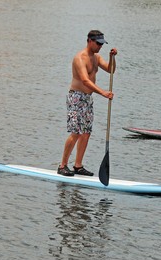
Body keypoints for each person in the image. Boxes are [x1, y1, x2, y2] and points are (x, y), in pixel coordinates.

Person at [58, 30, 117, 176]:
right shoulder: (80, 58)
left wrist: (112, 58)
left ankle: (78, 166)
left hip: (88, 99)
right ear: (89, 41)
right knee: (76, 132)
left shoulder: (96, 57)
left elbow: (111, 70)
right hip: (76, 98)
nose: (100, 47)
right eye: (98, 44)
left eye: (102, 44)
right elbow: (85, 80)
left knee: (86, 133)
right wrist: (103, 92)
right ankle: (62, 166)